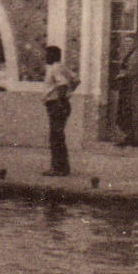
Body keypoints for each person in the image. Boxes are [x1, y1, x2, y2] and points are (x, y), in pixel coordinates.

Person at [42, 45, 79, 176]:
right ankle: (62, 167)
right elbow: (76, 80)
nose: (45, 57)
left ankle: (58, 168)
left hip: (56, 104)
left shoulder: (55, 69)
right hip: (62, 103)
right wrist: (70, 93)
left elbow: (62, 84)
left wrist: (60, 99)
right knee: (58, 136)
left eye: (47, 55)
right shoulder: (62, 67)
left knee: (55, 137)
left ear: (53, 55)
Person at [111, 35, 138, 147]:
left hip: (135, 89)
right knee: (126, 113)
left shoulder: (137, 55)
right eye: (125, 42)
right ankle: (128, 137)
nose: (127, 44)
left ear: (135, 43)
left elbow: (135, 70)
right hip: (127, 88)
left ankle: (136, 139)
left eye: (130, 42)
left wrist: (123, 74)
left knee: (135, 113)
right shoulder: (128, 55)